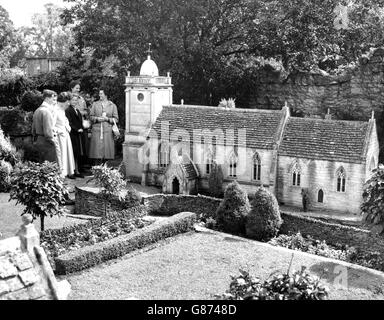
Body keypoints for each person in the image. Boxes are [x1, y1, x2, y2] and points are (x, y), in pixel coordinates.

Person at [89, 88, 119, 164]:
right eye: (99, 93)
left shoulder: (112, 105)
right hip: (97, 130)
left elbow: (116, 119)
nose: (100, 95)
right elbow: (91, 117)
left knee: (107, 151)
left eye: (101, 93)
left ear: (106, 95)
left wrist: (108, 119)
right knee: (97, 151)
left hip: (107, 131)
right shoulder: (95, 104)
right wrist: (97, 119)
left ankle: (105, 170)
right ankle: (96, 169)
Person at [32, 89, 59, 163]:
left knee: (42, 166)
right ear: (47, 98)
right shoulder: (46, 111)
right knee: (51, 167)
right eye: (52, 98)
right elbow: (48, 131)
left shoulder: (37, 110)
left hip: (39, 140)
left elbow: (33, 129)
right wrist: (53, 141)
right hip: (46, 143)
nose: (54, 101)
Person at [55, 92, 76, 179]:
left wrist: (67, 127)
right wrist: (60, 131)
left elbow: (65, 120)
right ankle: (61, 175)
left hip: (65, 135)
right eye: (68, 101)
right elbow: (52, 125)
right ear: (64, 101)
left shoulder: (62, 110)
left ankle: (66, 174)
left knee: (67, 155)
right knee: (62, 156)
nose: (68, 103)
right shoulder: (55, 110)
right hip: (60, 137)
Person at [65, 94, 86, 178]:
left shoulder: (77, 110)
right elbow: (69, 122)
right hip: (72, 134)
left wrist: (82, 127)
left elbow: (80, 122)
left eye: (76, 100)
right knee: (73, 153)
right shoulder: (68, 110)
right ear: (70, 101)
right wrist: (77, 129)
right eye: (73, 100)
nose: (75, 101)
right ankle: (72, 172)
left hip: (79, 134)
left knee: (78, 153)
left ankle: (77, 170)